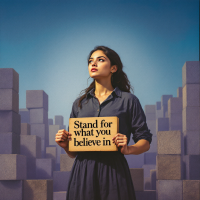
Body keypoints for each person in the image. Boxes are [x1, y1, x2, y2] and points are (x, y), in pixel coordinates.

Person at [55, 45, 153, 200]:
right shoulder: (79, 104)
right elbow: (74, 152)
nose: (93, 64)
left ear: (113, 68)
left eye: (100, 60)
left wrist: (128, 149)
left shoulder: (129, 101)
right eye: (90, 61)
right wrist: (65, 145)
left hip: (114, 171)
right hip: (82, 173)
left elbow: (145, 141)